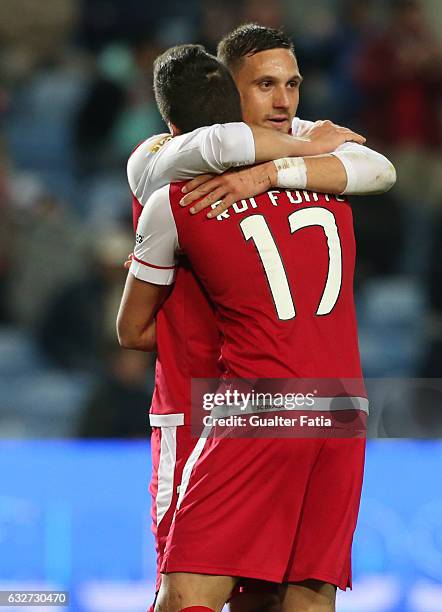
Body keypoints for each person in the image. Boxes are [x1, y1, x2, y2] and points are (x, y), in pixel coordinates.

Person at [118, 31, 396, 612]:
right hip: (327, 406)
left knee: (189, 595)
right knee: (279, 597)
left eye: (292, 84)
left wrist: (272, 169)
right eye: (265, 85)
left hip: (237, 404)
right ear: (224, 92)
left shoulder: (196, 192)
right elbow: (376, 168)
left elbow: (133, 330)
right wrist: (298, 156)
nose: (284, 102)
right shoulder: (323, 173)